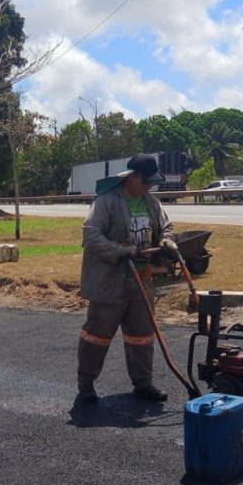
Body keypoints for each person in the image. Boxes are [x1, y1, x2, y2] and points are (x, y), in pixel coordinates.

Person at [76, 154, 180, 403]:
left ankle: (143, 383)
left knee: (142, 335)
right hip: (110, 282)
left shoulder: (151, 202)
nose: (150, 186)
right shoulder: (106, 201)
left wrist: (166, 239)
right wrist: (121, 251)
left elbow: (166, 226)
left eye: (153, 182)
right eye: (146, 181)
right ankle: (86, 384)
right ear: (133, 176)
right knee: (97, 335)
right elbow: (91, 235)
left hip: (141, 280)